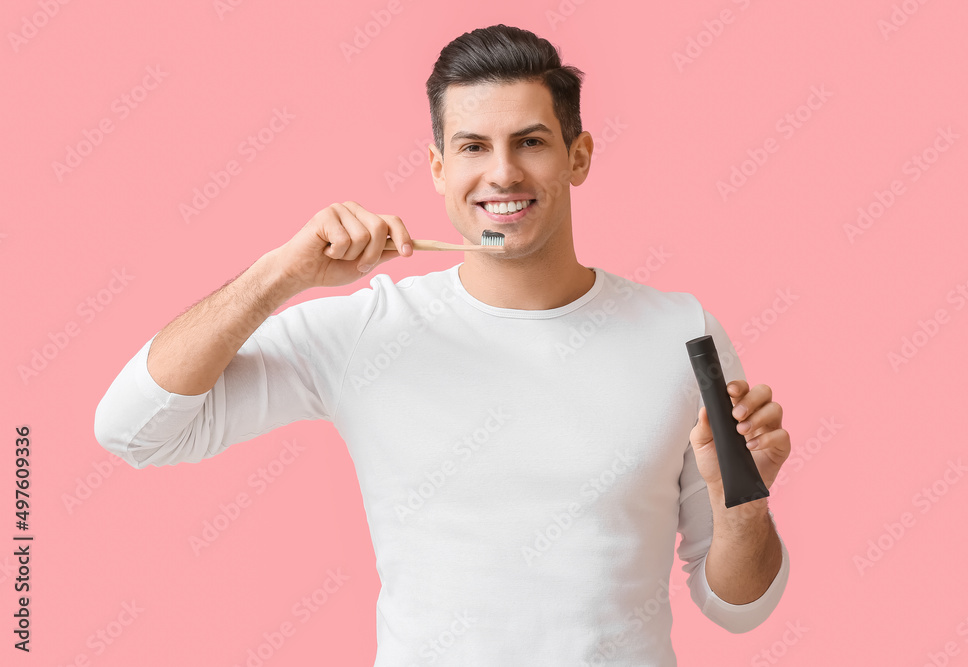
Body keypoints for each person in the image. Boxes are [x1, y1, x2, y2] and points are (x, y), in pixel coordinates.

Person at [95, 24, 791, 666]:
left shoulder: (681, 333)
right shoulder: (370, 331)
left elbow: (740, 608)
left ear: (578, 156)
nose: (503, 174)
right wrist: (280, 275)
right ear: (437, 167)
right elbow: (133, 431)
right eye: (473, 147)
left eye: (531, 142)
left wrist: (745, 502)